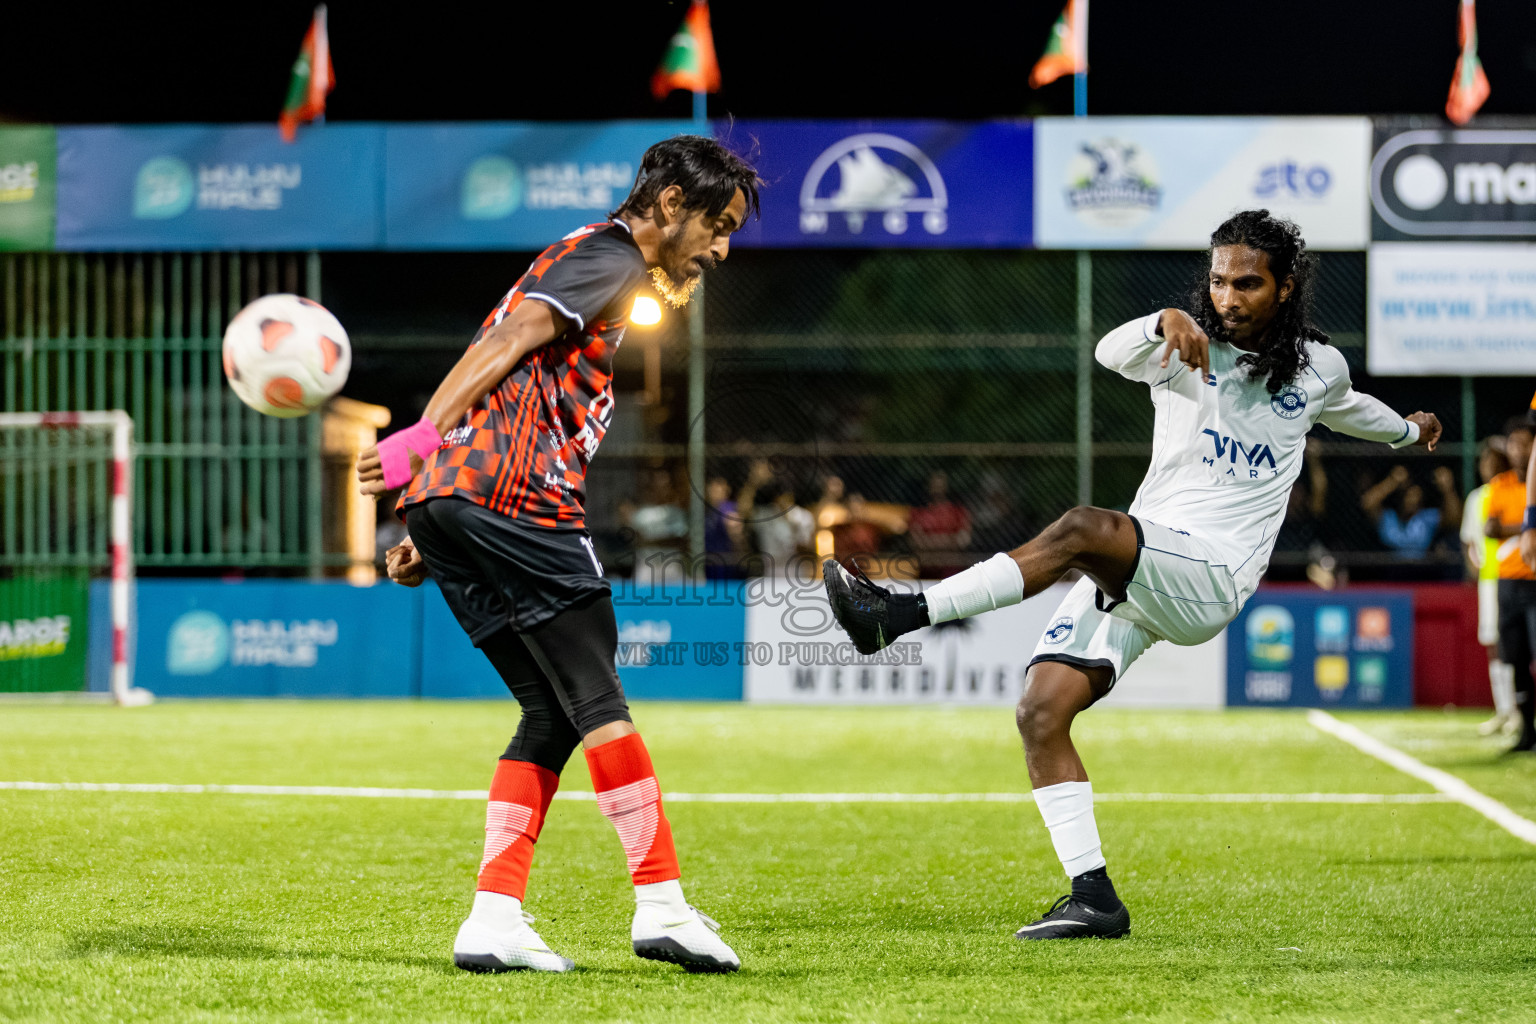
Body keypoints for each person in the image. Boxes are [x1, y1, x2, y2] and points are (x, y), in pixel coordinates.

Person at [822, 210, 1442, 940]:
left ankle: (897, 616)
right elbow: (1109, 352)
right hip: (1148, 562)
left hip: (1211, 574)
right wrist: (1162, 320)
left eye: (1247, 283)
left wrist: (1410, 431)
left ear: (1285, 287)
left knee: (1085, 529)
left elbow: (1347, 409)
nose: (1228, 296)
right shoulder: (1182, 347)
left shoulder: (1316, 368)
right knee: (1041, 712)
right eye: (1217, 281)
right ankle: (1094, 898)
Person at [358, 135, 760, 973]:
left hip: (459, 502)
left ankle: (493, 917)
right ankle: (662, 905)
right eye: (717, 225)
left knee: (550, 713)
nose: (721, 249)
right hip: (515, 501)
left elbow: (513, 369)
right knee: (597, 698)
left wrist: (428, 514)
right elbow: (504, 346)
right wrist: (417, 442)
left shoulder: (588, 259)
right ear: (672, 204)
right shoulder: (610, 257)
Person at [1484, 419, 1536, 753]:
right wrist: (1528, 526)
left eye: (1525, 443)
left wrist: (1511, 527)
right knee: (1514, 658)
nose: (1518, 450)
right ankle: (1526, 731)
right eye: (1513, 443)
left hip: (1535, 581)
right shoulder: (1500, 484)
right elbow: (1490, 528)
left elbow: (1499, 527)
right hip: (1508, 582)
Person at [1460, 438, 1516, 735]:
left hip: (1517, 577)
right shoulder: (1477, 498)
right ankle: (1505, 710)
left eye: (1493, 460)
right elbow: (1469, 541)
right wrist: (1474, 566)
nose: (1487, 467)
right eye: (1484, 461)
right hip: (1489, 581)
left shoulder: (1513, 491)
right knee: (1494, 645)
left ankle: (1518, 709)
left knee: (1516, 644)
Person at [1359, 464, 1461, 557]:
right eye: (1409, 496)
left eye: (1417, 497)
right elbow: (1367, 503)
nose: (1413, 501)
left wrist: (1448, 489)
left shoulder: (1426, 519)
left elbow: (1454, 519)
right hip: (1390, 571)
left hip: (1421, 571)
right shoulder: (1389, 518)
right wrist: (1392, 481)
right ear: (1401, 498)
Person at [909, 469, 973, 577]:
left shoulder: (958, 512)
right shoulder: (919, 512)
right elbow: (916, 541)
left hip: (952, 567)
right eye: (935, 485)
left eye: (940, 485)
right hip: (927, 567)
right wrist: (949, 540)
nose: (937, 489)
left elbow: (963, 540)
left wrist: (930, 541)